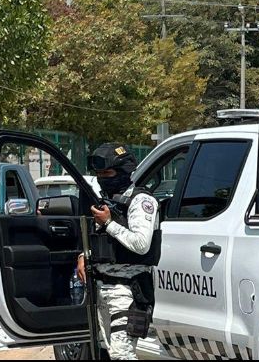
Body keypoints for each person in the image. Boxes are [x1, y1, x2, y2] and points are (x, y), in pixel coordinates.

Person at [77, 143, 161, 360]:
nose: (103, 177)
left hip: (128, 289)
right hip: (102, 287)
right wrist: (82, 256)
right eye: (99, 174)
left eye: (108, 172)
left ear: (123, 172)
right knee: (106, 352)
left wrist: (109, 223)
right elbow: (99, 240)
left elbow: (141, 244)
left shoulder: (141, 201)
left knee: (122, 355)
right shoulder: (105, 202)